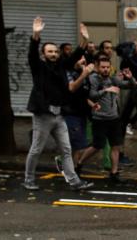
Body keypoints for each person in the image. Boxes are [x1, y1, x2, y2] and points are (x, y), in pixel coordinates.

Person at [22, 17, 93, 192]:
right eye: (50, 51)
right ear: (43, 54)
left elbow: (75, 55)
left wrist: (84, 40)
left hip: (59, 115)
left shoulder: (62, 65)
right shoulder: (38, 67)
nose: (53, 54)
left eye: (55, 51)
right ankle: (29, 179)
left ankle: (74, 181)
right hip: (43, 115)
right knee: (36, 149)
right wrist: (36, 34)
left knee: (67, 150)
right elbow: (31, 54)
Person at [86, 55, 137, 182]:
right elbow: (91, 95)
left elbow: (129, 86)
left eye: (107, 67)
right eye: (103, 67)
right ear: (98, 67)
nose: (105, 69)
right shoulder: (93, 79)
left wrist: (131, 78)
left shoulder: (112, 78)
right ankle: (79, 163)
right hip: (99, 118)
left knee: (116, 145)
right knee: (97, 146)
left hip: (113, 118)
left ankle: (114, 173)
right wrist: (106, 90)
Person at [63, 56, 95, 176]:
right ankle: (72, 171)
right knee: (77, 145)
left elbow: (84, 95)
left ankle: (73, 170)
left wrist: (92, 104)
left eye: (84, 60)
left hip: (82, 113)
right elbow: (72, 88)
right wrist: (84, 74)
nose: (83, 62)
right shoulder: (69, 73)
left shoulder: (83, 74)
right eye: (80, 59)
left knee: (80, 145)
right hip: (72, 113)